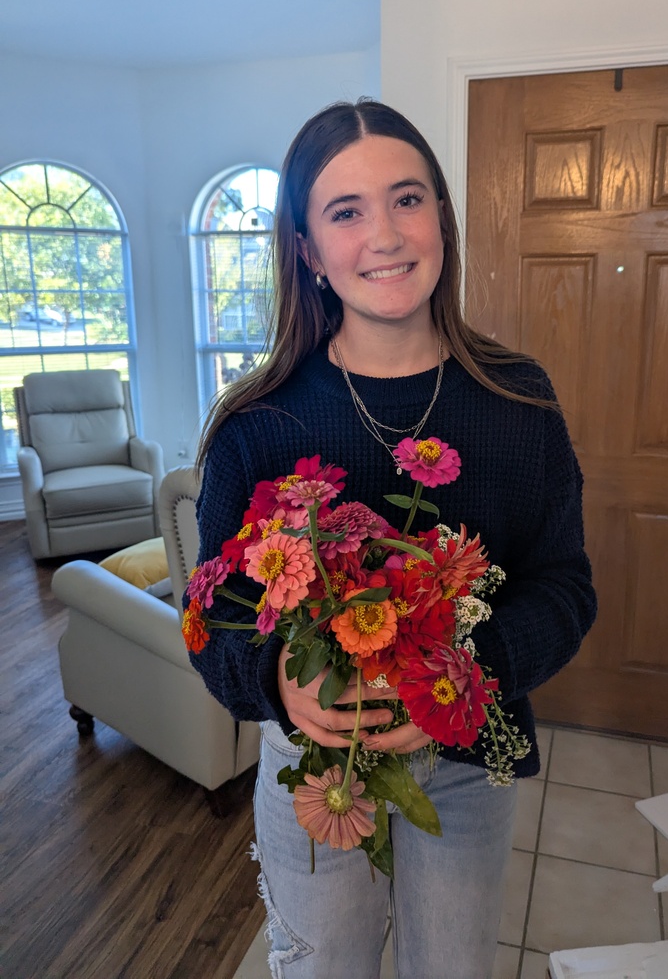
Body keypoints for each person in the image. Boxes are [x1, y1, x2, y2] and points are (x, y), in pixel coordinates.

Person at [188, 99, 597, 979]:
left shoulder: (519, 402)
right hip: (314, 769)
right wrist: (277, 676)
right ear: (308, 250)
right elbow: (211, 617)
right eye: (346, 211)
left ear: (441, 216)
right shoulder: (255, 425)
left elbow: (567, 587)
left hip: (464, 762)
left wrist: (463, 674)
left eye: (407, 199)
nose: (385, 234)